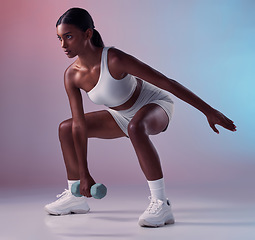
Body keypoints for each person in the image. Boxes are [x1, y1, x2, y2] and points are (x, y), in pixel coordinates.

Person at [44, 8, 236, 227]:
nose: (63, 45)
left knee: (136, 127)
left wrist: (208, 111)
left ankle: (161, 204)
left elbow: (167, 82)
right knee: (66, 128)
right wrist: (84, 173)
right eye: (60, 38)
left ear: (88, 34)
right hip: (120, 115)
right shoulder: (72, 75)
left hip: (155, 105)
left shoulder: (114, 59)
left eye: (69, 37)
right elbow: (79, 124)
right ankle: (76, 196)